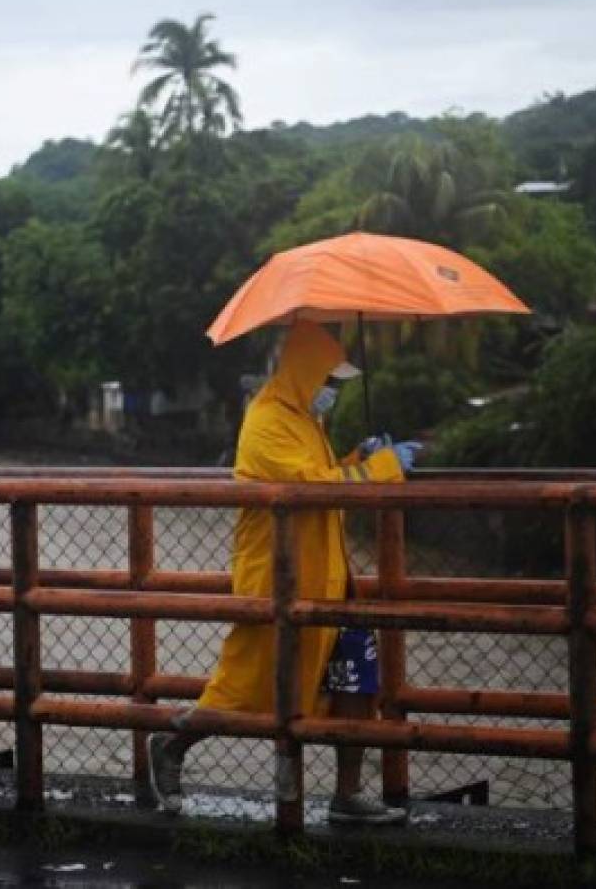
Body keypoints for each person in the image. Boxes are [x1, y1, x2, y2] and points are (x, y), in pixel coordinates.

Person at [147, 321, 420, 825]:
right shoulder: (267, 419)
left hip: (330, 577)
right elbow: (312, 486)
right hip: (279, 582)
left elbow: (328, 472)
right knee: (246, 686)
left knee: (356, 678)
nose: (333, 392)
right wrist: (382, 466)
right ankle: (173, 742)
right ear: (302, 372)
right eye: (329, 381)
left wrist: (361, 455)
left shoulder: (303, 419)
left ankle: (348, 795)